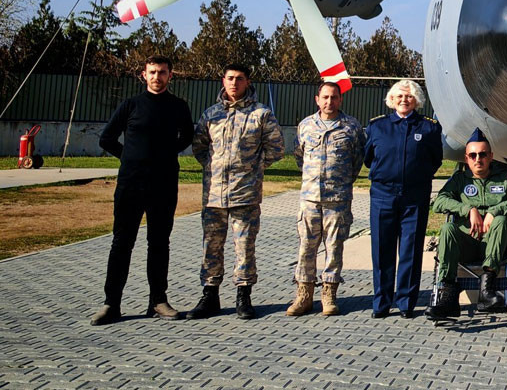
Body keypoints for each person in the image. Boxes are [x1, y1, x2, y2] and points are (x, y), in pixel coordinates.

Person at [91, 56, 194, 325]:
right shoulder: (131, 105)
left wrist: (165, 155)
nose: (157, 77)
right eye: (152, 72)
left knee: (159, 243)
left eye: (162, 72)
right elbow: (106, 138)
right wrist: (129, 157)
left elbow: (187, 137)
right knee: (122, 243)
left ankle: (158, 301)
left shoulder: (179, 107)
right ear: (143, 75)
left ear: (171, 75)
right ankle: (111, 303)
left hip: (164, 184)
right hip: (131, 185)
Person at [187, 63, 285, 321]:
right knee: (211, 246)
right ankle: (210, 295)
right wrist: (213, 168)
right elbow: (199, 148)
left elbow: (276, 149)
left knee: (244, 247)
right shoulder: (211, 114)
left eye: (239, 79)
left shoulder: (261, 114)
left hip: (246, 194)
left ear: (247, 82)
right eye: (230, 78)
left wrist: (253, 168)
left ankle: (244, 295)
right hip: (214, 195)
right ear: (223, 80)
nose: (234, 83)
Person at [428, 128, 507, 319]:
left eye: (483, 154)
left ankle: (487, 289)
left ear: (491, 156)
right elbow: (439, 202)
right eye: (473, 155)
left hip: (495, 245)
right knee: (448, 228)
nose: (478, 159)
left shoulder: (506, 178)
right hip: (466, 243)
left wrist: (495, 210)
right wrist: (468, 209)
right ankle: (448, 294)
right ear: (466, 158)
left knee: (500, 220)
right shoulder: (459, 180)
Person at [286, 81, 366, 317]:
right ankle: (304, 295)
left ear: (340, 100)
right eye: (325, 97)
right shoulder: (305, 126)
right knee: (306, 249)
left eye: (334, 97)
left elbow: (357, 160)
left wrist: (339, 182)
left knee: (334, 248)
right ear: (317, 99)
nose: (329, 102)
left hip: (337, 199)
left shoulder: (351, 127)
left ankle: (329, 294)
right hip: (310, 199)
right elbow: (299, 157)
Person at [364, 79, 442, 319]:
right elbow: (369, 158)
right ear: (391, 99)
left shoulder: (429, 128)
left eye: (409, 96)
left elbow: (435, 160)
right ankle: (382, 302)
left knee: (410, 249)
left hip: (414, 196)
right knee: (382, 249)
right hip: (383, 195)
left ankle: (406, 302)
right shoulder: (377, 126)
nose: (404, 100)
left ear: (416, 100)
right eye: (399, 96)